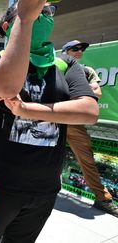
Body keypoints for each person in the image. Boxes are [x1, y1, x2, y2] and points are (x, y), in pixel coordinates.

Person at [0, 1, 99, 242]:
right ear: (7, 25)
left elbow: (89, 111)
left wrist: (27, 110)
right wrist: (25, 20)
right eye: (35, 10)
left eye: (48, 11)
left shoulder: (65, 64)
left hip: (43, 191)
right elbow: (6, 87)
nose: (43, 14)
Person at [62, 40, 118, 217]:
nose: (79, 51)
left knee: (87, 160)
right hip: (50, 119)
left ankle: (102, 199)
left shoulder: (87, 71)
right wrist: (80, 93)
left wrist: (68, 93)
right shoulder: (56, 66)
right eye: (75, 48)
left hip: (73, 122)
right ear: (65, 51)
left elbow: (97, 93)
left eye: (82, 49)